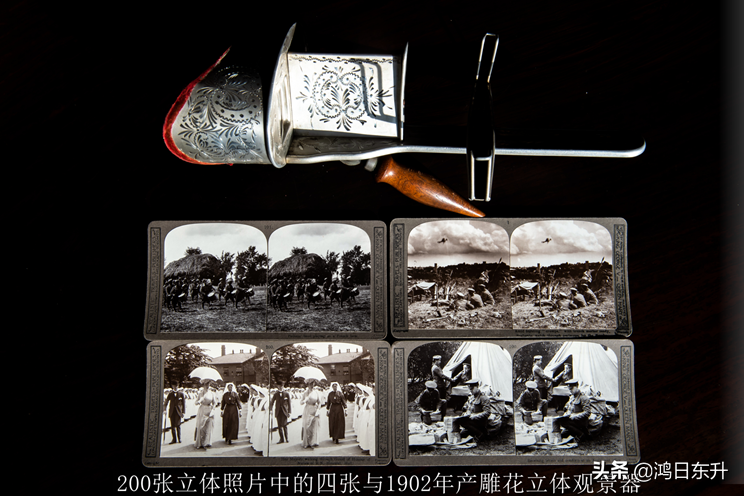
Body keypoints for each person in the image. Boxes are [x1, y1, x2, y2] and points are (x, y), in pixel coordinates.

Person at [194, 379, 218, 449]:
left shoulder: (212, 393)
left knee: (209, 426)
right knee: (201, 426)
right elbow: (196, 402)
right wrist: (199, 401)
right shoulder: (200, 393)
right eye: (206, 385)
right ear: (203, 385)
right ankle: (201, 442)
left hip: (209, 410)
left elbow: (215, 402)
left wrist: (213, 408)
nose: (207, 386)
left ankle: (207, 442)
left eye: (208, 385)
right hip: (202, 410)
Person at [300, 379, 321, 449]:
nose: (311, 386)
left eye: (312, 384)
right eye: (310, 384)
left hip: (315, 409)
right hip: (307, 410)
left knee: (314, 426)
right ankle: (307, 442)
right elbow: (301, 402)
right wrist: (305, 400)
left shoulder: (316, 392)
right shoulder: (305, 393)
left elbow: (319, 402)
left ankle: (313, 442)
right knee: (307, 426)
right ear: (308, 385)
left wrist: (318, 409)